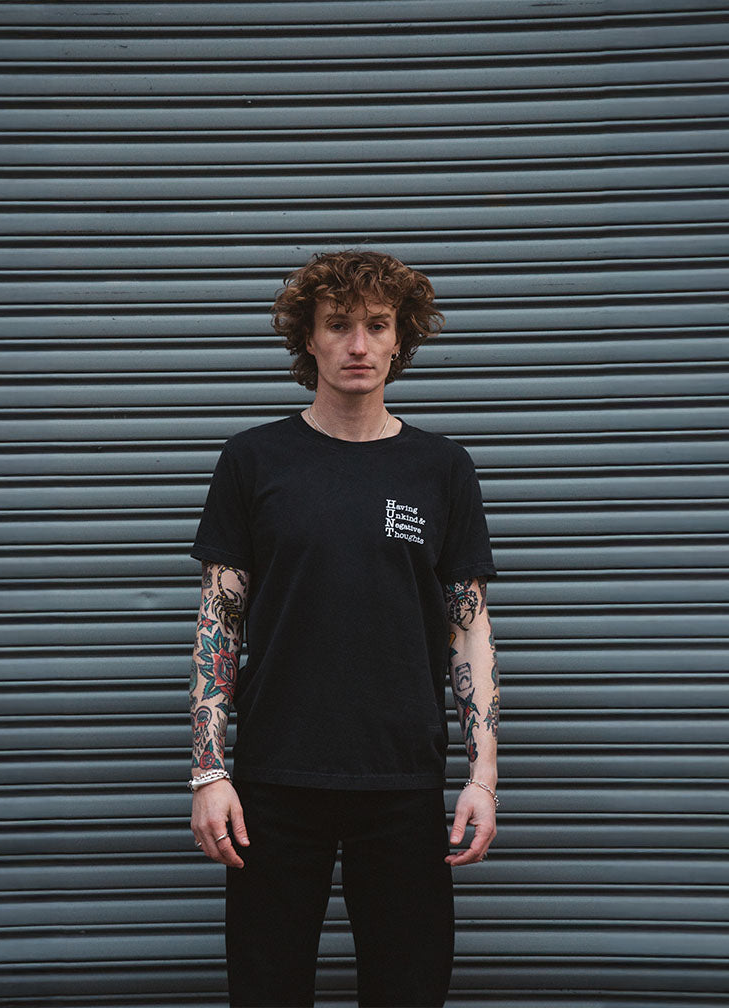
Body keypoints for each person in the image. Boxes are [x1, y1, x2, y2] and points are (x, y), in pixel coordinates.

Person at [188, 249, 499, 1008]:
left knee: (409, 992)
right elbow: (218, 622)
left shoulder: (442, 467)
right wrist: (208, 770)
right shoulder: (253, 459)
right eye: (338, 325)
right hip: (272, 784)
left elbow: (469, 630)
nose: (358, 345)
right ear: (310, 341)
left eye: (377, 325)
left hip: (402, 782)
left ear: (401, 340)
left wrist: (482, 777)